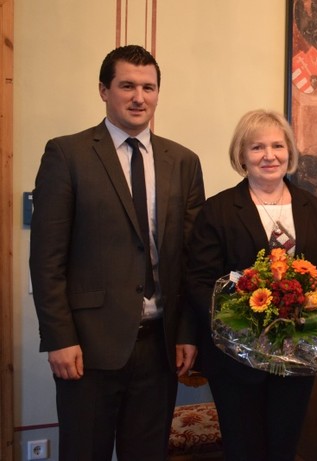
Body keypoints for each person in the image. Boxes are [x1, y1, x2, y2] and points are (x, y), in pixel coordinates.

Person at [29, 45, 205, 460]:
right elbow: (46, 259)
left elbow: (192, 260)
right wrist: (59, 338)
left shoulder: (183, 161)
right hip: (87, 348)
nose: (139, 97)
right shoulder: (67, 154)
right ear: (104, 90)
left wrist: (186, 333)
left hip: (159, 348)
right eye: (127, 85)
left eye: (149, 87)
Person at [185, 109, 317, 461]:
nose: (269, 156)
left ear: (289, 152)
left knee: (284, 447)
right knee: (244, 449)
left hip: (298, 359)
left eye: (277, 146)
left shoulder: (311, 207)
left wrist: (314, 312)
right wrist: (244, 320)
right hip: (236, 362)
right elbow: (198, 280)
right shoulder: (218, 209)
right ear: (242, 156)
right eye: (257, 148)